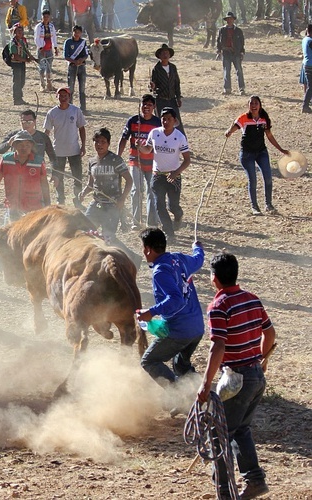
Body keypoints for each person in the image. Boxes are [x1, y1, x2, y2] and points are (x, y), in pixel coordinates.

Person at [197, 252, 275, 500]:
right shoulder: (252, 299)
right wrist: (261, 359)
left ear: (214, 278)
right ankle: (255, 480)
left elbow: (217, 346)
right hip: (255, 376)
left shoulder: (219, 306)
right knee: (241, 430)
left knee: (219, 434)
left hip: (236, 379)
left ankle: (225, 494)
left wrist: (206, 383)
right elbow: (270, 334)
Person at [136, 227, 205, 386]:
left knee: (149, 361)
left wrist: (151, 312)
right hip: (197, 328)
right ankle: (200, 393)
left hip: (180, 331)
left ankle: (178, 394)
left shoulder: (160, 272)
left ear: (147, 249)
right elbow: (198, 260)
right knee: (181, 364)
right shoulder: (179, 258)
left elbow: (176, 300)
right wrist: (198, 248)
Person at [78, 127, 138, 265]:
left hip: (113, 205)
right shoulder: (92, 161)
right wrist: (83, 193)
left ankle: (132, 259)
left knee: (108, 236)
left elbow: (129, 180)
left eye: (103, 141)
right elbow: (91, 184)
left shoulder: (115, 160)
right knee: (85, 229)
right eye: (97, 141)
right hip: (97, 203)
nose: (99, 144)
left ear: (108, 143)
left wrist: (122, 199)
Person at [225, 95, 289, 216]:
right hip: (247, 154)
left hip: (261, 152)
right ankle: (255, 207)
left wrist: (281, 149)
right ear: (248, 105)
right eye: (251, 103)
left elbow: (269, 136)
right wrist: (228, 132)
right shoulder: (243, 118)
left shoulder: (264, 118)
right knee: (253, 180)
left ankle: (268, 205)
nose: (253, 106)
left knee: (268, 177)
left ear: (260, 105)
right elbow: (233, 128)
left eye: (256, 103)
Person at [137, 107, 190, 239]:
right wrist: (140, 147)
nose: (165, 122)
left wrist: (176, 173)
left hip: (174, 177)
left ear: (174, 120)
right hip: (157, 175)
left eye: (168, 119)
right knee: (159, 205)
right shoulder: (154, 133)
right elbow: (148, 150)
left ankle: (178, 215)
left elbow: (187, 160)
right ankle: (169, 232)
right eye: (163, 119)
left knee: (172, 206)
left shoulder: (179, 137)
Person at [0, 129, 51, 223]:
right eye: (20, 145)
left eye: (27, 145)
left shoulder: (38, 162)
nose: (24, 148)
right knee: (9, 235)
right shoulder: (6, 160)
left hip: (34, 208)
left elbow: (44, 185)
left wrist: (48, 206)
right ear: (14, 146)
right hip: (13, 207)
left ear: (32, 146)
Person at [118, 93, 161, 229]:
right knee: (136, 190)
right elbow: (123, 139)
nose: (146, 107)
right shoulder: (132, 121)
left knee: (151, 191)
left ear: (154, 106)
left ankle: (151, 222)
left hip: (152, 162)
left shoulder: (158, 123)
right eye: (144, 104)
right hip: (135, 161)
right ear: (140, 106)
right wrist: (118, 158)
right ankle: (136, 222)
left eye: (149, 105)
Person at [43, 86, 86, 207]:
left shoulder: (76, 111)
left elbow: (82, 128)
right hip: (58, 151)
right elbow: (47, 132)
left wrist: (83, 146)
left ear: (69, 97)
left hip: (74, 149)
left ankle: (77, 199)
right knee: (58, 176)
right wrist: (45, 148)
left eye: (65, 96)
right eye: (60, 96)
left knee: (77, 176)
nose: (63, 98)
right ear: (57, 97)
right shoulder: (52, 113)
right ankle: (60, 199)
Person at [150, 44, 185, 137]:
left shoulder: (173, 68)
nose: (165, 55)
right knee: (161, 122)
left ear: (169, 55)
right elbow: (153, 85)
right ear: (160, 56)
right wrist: (152, 86)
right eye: (163, 53)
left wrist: (178, 97)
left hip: (172, 99)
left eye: (167, 53)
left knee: (177, 122)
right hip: (160, 100)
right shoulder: (156, 69)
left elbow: (177, 83)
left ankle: (182, 144)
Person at [216, 12, 245, 97]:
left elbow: (242, 42)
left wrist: (242, 52)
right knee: (226, 71)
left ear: (233, 20)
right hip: (226, 52)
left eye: (231, 19)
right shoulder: (222, 30)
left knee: (239, 71)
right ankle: (227, 89)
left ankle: (242, 88)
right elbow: (218, 41)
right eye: (228, 19)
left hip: (236, 53)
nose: (229, 20)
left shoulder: (238, 30)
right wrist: (218, 51)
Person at [63, 25, 88, 114]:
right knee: (71, 89)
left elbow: (86, 54)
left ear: (81, 33)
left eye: (78, 32)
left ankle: (83, 109)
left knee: (82, 89)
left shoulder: (83, 42)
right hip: (72, 67)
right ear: (72, 32)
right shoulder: (68, 42)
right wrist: (74, 61)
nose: (77, 34)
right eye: (75, 32)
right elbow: (66, 56)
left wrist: (81, 60)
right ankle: (69, 107)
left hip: (81, 67)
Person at [9, 23, 33, 106]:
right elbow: (16, 56)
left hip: (22, 64)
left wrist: (32, 58)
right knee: (17, 81)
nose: (20, 32)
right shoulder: (13, 43)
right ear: (15, 32)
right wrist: (26, 60)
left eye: (21, 30)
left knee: (22, 81)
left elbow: (26, 50)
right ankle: (16, 99)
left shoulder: (22, 41)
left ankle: (19, 97)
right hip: (16, 64)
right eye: (18, 31)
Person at [34, 10, 58, 92]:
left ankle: (49, 85)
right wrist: (41, 48)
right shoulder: (38, 27)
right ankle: (42, 85)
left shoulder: (51, 26)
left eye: (47, 17)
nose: (46, 18)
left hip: (49, 49)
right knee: (42, 67)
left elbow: (54, 37)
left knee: (49, 67)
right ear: (42, 17)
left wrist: (55, 47)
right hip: (42, 50)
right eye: (44, 17)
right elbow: (36, 39)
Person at [303, 24, 312, 113]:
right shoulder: (310, 41)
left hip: (307, 64)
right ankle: (305, 105)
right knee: (311, 86)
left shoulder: (305, 39)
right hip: (310, 65)